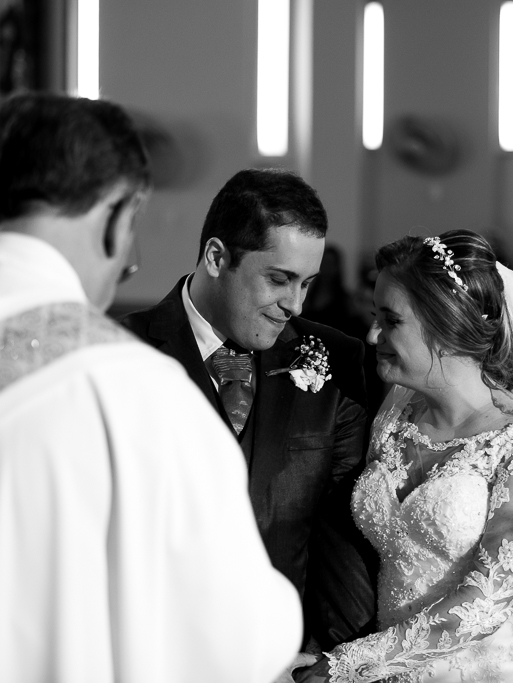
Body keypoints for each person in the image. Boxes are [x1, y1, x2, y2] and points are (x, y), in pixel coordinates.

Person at [0, 93, 300, 681]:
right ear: (114, 218)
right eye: (132, 233)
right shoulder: (139, 395)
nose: (128, 262)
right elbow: (240, 641)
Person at [297, 230, 513, 682]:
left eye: (391, 320)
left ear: (445, 326)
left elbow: (485, 601)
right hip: (390, 665)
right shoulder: (394, 422)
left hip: (494, 667)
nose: (372, 335)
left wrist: (352, 663)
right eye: (374, 316)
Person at [122, 169, 376, 670]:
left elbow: (343, 535)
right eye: (279, 279)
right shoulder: (123, 356)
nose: (295, 305)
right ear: (217, 257)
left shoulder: (336, 362)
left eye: (307, 283)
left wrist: (327, 662)